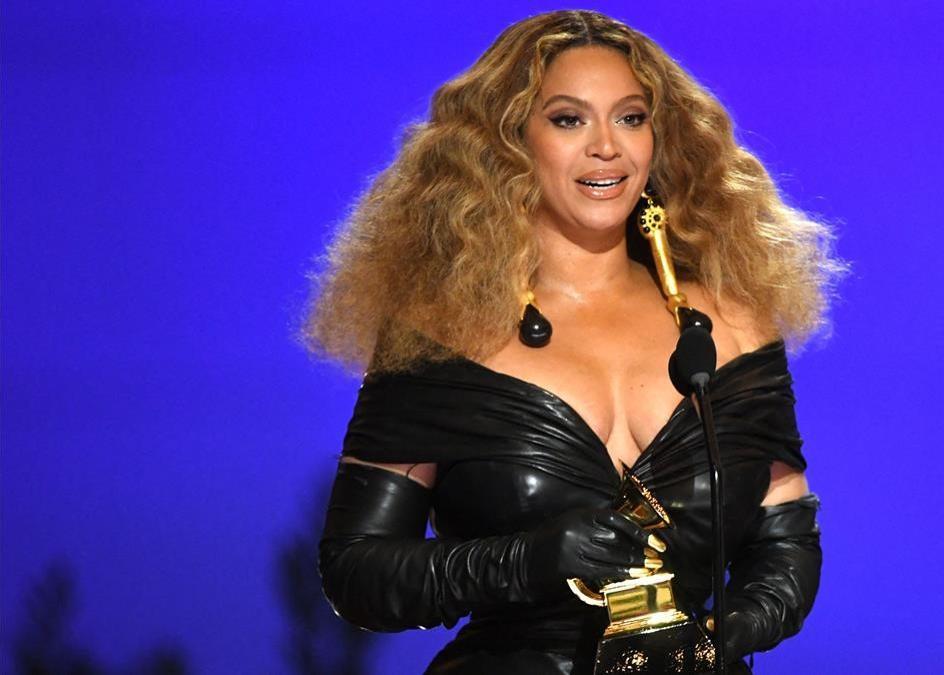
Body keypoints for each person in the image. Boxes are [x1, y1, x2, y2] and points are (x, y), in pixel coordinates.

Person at [306, 10, 842, 674]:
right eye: (569, 119)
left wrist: (727, 631)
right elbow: (356, 569)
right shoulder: (439, 333)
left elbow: (786, 546)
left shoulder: (735, 326)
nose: (607, 148)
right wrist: (526, 559)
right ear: (510, 142)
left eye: (631, 117)